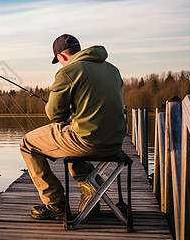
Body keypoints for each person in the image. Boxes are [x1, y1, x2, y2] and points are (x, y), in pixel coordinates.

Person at [20, 34, 126, 220]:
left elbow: (54, 115)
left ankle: (55, 205)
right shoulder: (112, 70)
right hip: (115, 142)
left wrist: (67, 111)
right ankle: (90, 190)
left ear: (61, 56)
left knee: (28, 143)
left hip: (88, 141)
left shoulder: (68, 72)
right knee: (71, 137)